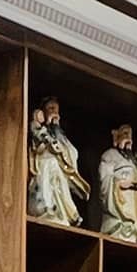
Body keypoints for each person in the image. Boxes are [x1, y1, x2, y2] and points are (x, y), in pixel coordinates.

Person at [28, 95, 90, 225]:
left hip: (59, 166)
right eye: (50, 108)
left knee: (61, 186)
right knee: (49, 174)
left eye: (56, 109)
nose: (54, 112)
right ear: (43, 113)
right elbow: (39, 140)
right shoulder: (38, 127)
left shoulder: (59, 133)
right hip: (44, 162)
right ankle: (47, 208)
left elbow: (71, 150)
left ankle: (67, 213)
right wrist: (48, 143)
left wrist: (64, 150)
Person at [98, 123, 137, 242]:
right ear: (117, 137)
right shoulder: (110, 155)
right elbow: (104, 178)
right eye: (125, 134)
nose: (128, 138)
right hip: (118, 200)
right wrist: (117, 183)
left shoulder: (134, 162)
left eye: (130, 135)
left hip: (131, 201)